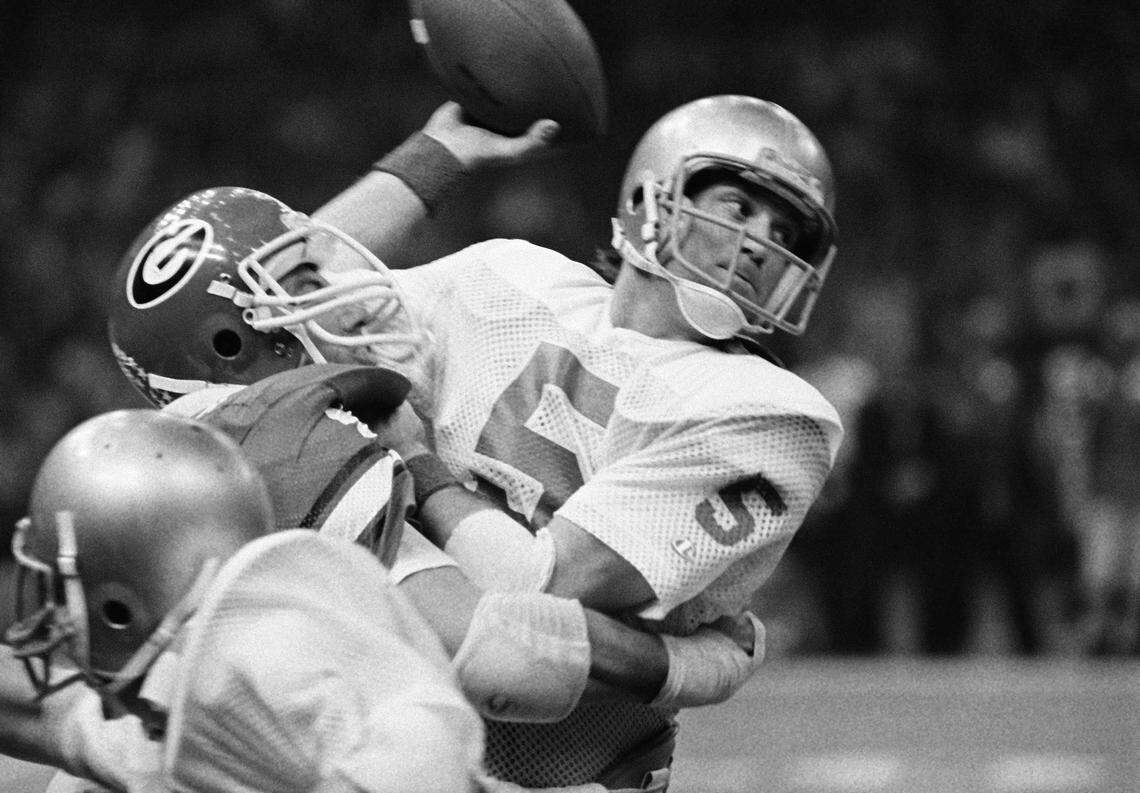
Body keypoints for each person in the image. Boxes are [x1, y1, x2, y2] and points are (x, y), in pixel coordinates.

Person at [105, 93, 841, 790]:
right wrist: (436, 155)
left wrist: (420, 462)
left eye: (786, 235)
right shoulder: (509, 278)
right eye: (739, 207)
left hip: (554, 771)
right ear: (651, 195)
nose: (760, 247)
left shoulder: (770, 416)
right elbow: (281, 301)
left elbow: (533, 595)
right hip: (366, 717)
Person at [1, 408, 487, 793]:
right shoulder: (210, 706)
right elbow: (48, 716)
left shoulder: (282, 677)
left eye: (61, 594)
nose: (54, 618)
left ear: (119, 609)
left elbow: (423, 758)